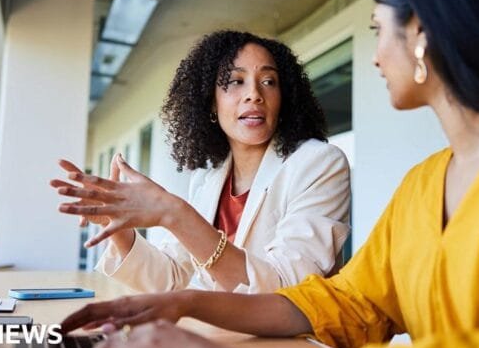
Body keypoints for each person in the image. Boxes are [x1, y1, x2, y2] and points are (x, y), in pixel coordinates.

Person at [58, 0, 479, 348]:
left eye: (377, 29)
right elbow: (347, 304)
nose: (375, 55)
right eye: (233, 83)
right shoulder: (425, 182)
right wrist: (183, 304)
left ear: (422, 32)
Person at [51, 30, 351, 294]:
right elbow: (172, 279)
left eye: (269, 81)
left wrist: (175, 214)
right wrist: (118, 229)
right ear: (210, 102)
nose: (254, 95)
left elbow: (288, 288)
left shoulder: (319, 163)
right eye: (236, 81)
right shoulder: (209, 178)